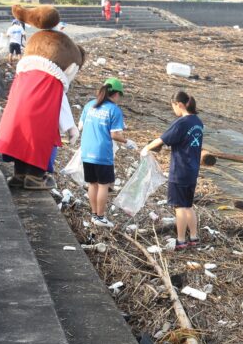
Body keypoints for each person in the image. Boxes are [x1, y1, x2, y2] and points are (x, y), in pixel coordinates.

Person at [141, 91, 204, 250]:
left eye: (173, 106)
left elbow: (163, 139)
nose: (173, 110)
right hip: (192, 169)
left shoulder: (182, 123)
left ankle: (181, 240)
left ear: (180, 105)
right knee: (188, 205)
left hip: (180, 170)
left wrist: (146, 148)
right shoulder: (198, 122)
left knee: (180, 207)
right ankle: (194, 237)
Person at [79, 78, 135, 228]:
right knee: (104, 185)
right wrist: (127, 142)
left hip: (86, 150)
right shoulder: (114, 110)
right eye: (119, 96)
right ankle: (101, 217)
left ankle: (93, 214)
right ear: (116, 94)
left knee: (92, 183)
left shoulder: (90, 104)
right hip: (102, 153)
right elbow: (115, 135)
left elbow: (80, 126)